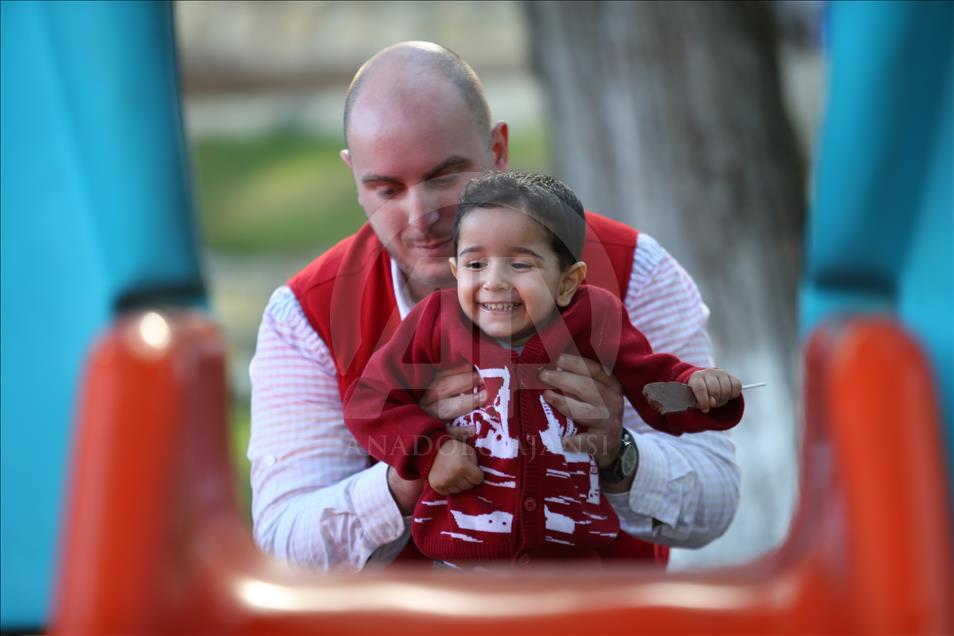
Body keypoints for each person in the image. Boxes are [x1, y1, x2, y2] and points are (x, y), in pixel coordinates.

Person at [248, 41, 741, 571]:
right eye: (387, 189)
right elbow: (284, 544)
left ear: (498, 151)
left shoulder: (633, 269)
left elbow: (716, 500)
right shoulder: (306, 314)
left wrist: (619, 456)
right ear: (354, 177)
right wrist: (411, 471)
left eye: (444, 177)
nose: (421, 217)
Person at [344, 171, 744, 566]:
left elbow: (651, 379)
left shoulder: (594, 317)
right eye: (476, 264)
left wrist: (698, 387)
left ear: (568, 282)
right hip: (462, 565)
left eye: (520, 265)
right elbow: (370, 401)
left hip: (573, 569)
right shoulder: (436, 320)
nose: (494, 282)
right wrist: (429, 451)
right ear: (455, 272)